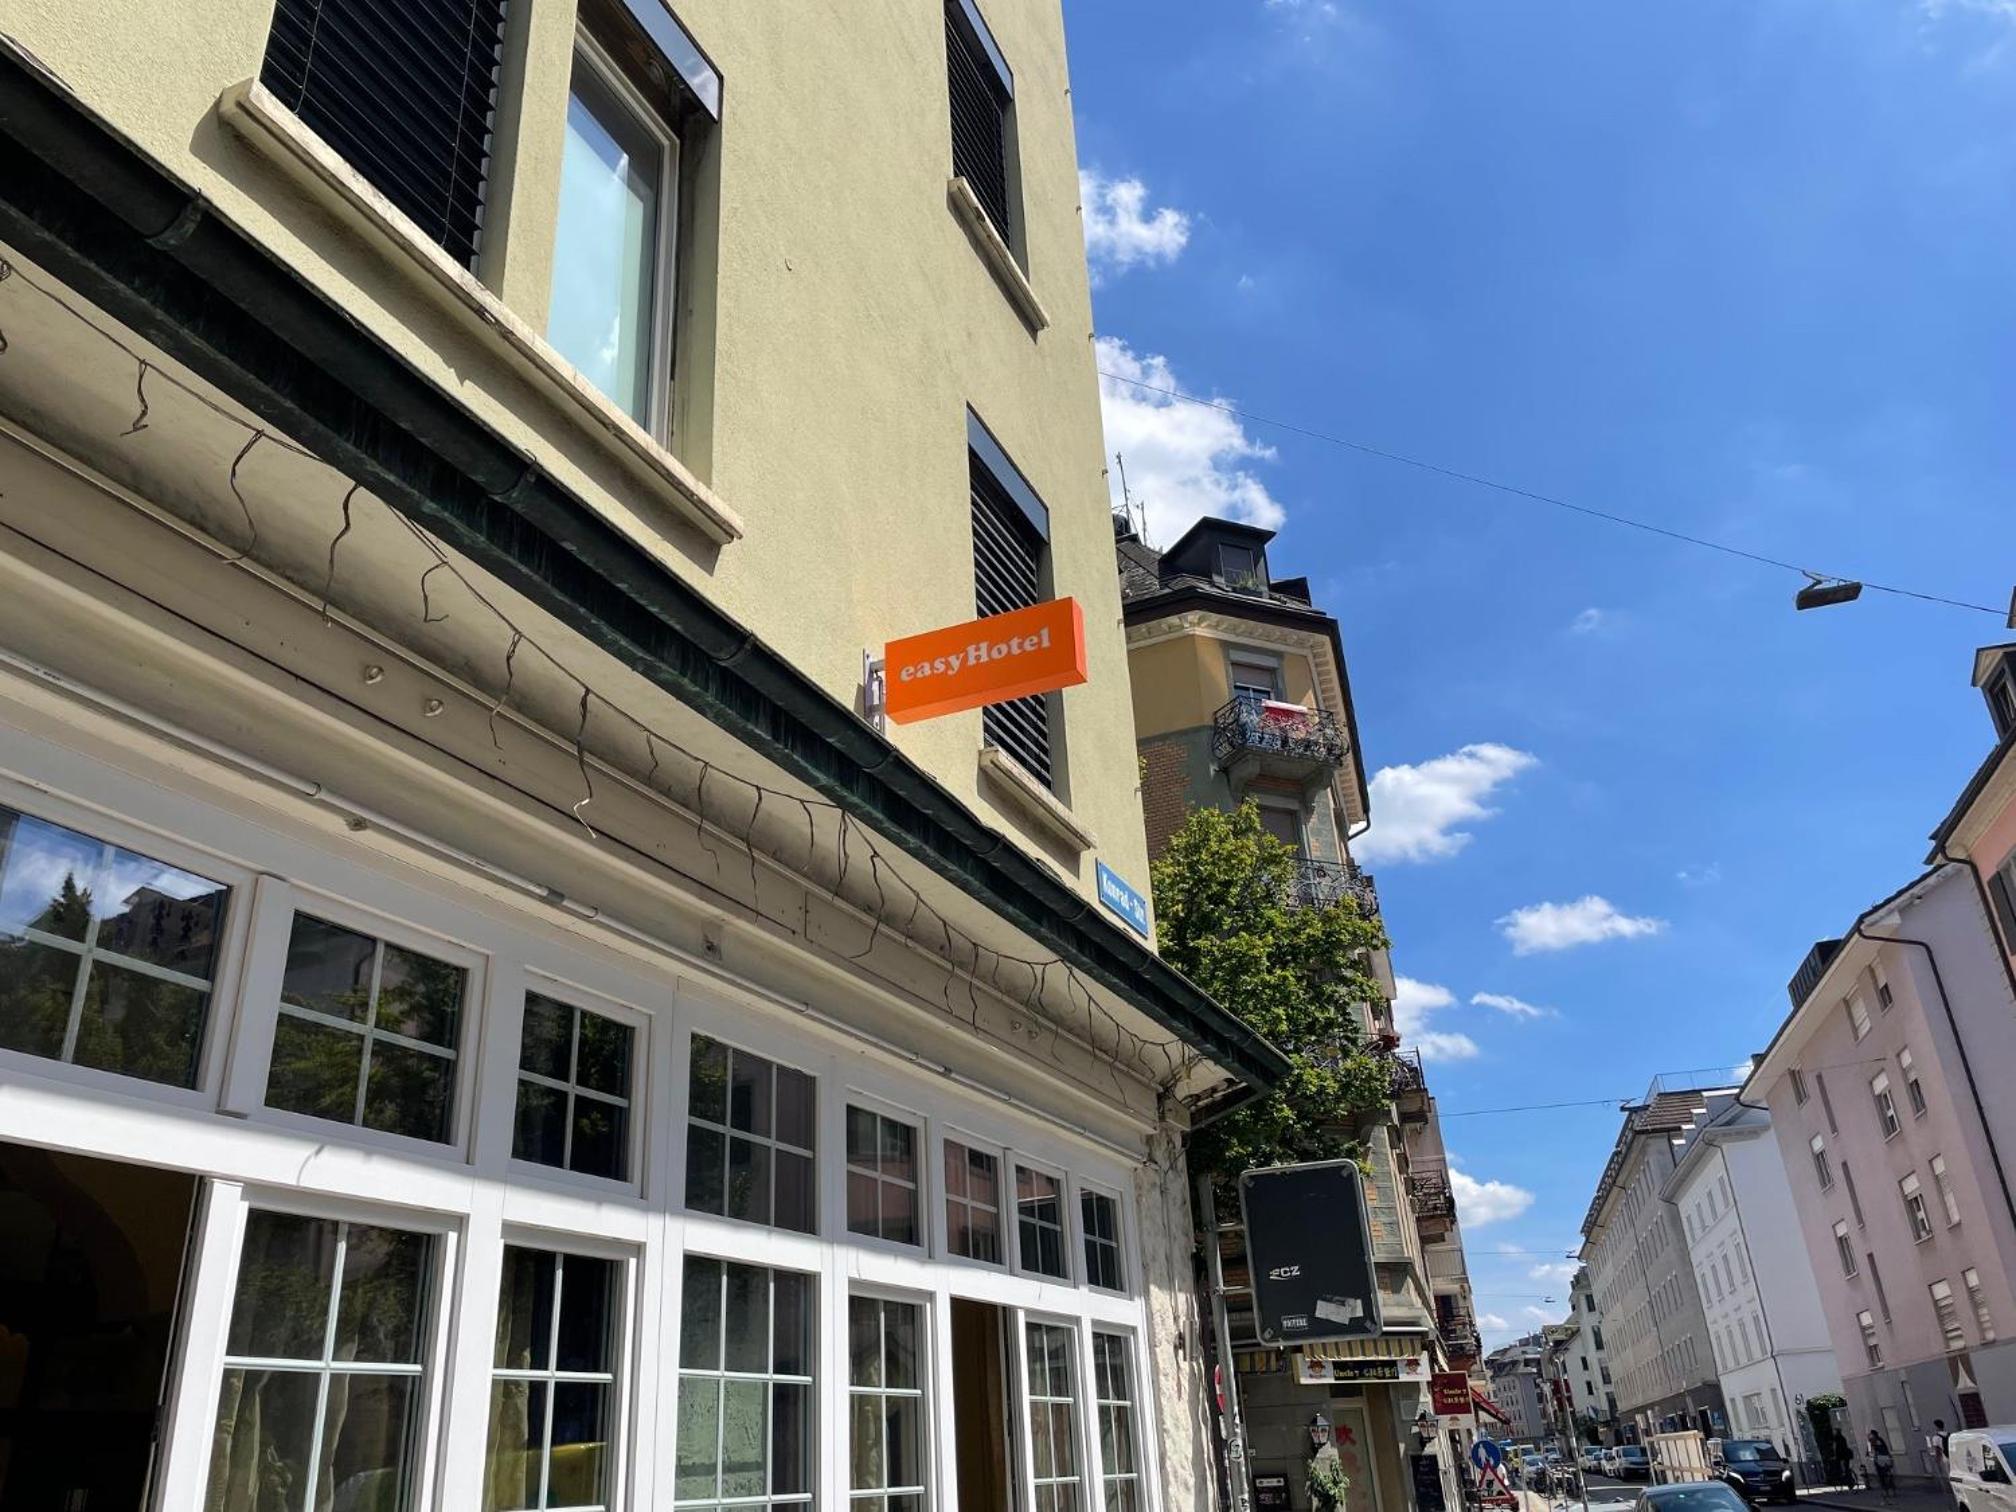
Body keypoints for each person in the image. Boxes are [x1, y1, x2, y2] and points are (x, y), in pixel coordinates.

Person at [1868, 1428, 1896, 1503]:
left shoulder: (1876, 1441)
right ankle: (1889, 1490)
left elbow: (1877, 1450)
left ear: (1873, 1435)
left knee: (1883, 1476)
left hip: (1881, 1460)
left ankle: (1888, 1490)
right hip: (1882, 1459)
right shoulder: (1878, 1440)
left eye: (1871, 1434)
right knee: (1884, 1475)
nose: (1870, 1436)